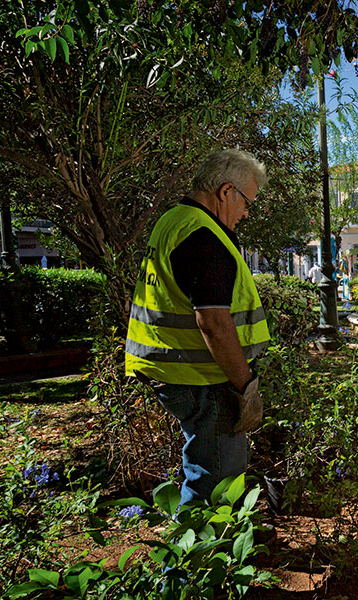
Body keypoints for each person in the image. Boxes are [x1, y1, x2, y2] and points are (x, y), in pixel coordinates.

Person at [125, 149, 271, 506]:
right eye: (247, 202)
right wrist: (244, 387)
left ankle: (209, 553)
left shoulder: (173, 221)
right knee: (215, 479)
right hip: (204, 379)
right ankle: (197, 558)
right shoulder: (204, 236)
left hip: (176, 370)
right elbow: (215, 324)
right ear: (226, 192)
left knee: (206, 465)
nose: (246, 213)